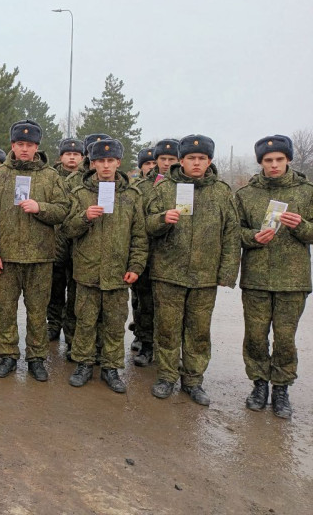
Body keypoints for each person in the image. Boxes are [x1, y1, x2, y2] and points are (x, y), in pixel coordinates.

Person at [146, 134, 240, 405]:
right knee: (167, 329)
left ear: (209, 161)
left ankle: (193, 380)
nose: (196, 163)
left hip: (204, 276)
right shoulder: (164, 188)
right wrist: (163, 219)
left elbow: (231, 234)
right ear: (182, 160)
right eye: (191, 158)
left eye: (202, 158)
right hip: (168, 273)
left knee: (199, 331)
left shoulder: (222, 192)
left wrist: (226, 273)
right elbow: (147, 225)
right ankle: (166, 376)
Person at [0, 120, 71, 381]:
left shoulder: (50, 176)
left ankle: (36, 358)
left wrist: (40, 207)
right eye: (20, 144)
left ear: (36, 147)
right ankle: (7, 355)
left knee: (37, 311)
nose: (24, 149)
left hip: (40, 257)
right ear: (12, 145)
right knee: (6, 310)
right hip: (6, 258)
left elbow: (63, 210)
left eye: (29, 145)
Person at [235, 135, 313, 419]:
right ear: (261, 163)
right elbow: (234, 232)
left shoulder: (306, 192)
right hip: (256, 278)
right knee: (255, 336)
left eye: (279, 159)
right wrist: (252, 237)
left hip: (292, 280)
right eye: (268, 160)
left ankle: (281, 388)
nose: (274, 165)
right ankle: (259, 385)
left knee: (284, 338)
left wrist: (301, 226)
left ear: (288, 159)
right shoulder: (246, 194)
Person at [62, 139, 148, 392]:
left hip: (118, 273)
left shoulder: (132, 195)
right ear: (92, 163)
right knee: (85, 321)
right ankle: (84, 364)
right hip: (87, 271)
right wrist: (84, 217)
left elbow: (139, 236)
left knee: (114, 323)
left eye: (111, 161)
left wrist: (135, 266)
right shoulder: (80, 193)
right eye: (101, 161)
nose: (106, 165)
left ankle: (111, 368)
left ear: (118, 162)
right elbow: (66, 230)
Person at [130, 139, 178, 366]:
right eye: (162, 159)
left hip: (175, 257)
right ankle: (146, 344)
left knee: (172, 310)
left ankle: (172, 350)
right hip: (148, 255)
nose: (166, 163)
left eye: (171, 159)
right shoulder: (142, 187)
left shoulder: (185, 186)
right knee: (145, 304)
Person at [47, 138, 83, 348]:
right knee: (55, 287)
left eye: (76, 154)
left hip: (79, 241)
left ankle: (72, 329)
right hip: (55, 240)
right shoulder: (51, 176)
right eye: (68, 154)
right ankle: (53, 324)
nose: (72, 157)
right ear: (61, 157)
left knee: (75, 291)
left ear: (82, 157)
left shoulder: (87, 178)